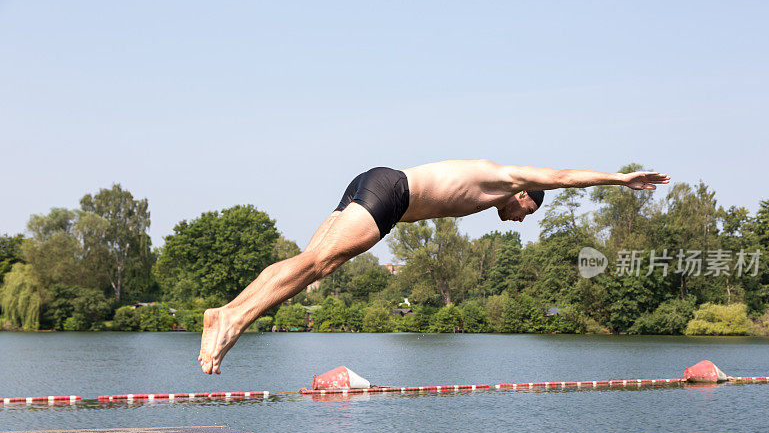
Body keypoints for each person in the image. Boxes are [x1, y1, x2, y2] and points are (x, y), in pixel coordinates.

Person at [199, 159, 669, 373]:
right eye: (529, 212)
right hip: (392, 193)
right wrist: (621, 179)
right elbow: (566, 178)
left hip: (374, 181)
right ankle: (234, 320)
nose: (522, 221)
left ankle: (226, 312)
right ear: (525, 195)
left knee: (307, 265)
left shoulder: (487, 191)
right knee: (318, 265)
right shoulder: (508, 178)